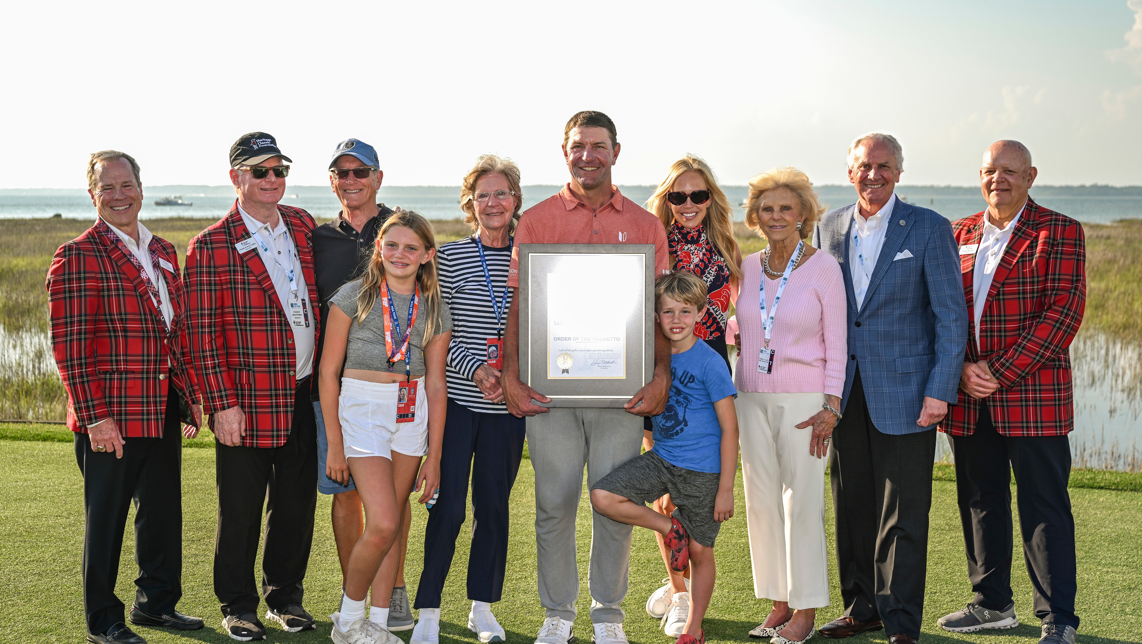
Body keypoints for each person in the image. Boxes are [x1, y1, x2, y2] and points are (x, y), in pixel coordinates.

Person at [501, 110, 673, 644]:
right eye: (579, 146)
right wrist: (509, 373)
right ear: (565, 150)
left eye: (598, 146)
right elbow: (518, 305)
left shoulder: (646, 226)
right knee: (553, 502)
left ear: (615, 152)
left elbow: (660, 310)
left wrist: (662, 372)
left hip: (621, 394)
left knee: (614, 502)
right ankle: (557, 613)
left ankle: (608, 616)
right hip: (549, 391)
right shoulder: (537, 220)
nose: (588, 155)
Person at [812, 133, 967, 644]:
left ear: (899, 171)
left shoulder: (928, 228)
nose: (872, 174)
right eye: (863, 166)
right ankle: (860, 608)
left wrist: (940, 389)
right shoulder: (827, 226)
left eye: (882, 165)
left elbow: (950, 316)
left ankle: (900, 621)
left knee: (903, 510)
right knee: (851, 502)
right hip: (843, 391)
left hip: (908, 392)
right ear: (849, 170)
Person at [48, 150, 205, 644]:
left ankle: (156, 605)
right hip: (109, 415)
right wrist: (95, 418)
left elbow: (172, 332)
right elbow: (70, 348)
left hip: (159, 407)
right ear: (92, 195)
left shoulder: (162, 250)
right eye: (107, 188)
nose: (119, 195)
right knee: (108, 520)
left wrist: (189, 396)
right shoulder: (77, 254)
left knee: (161, 513)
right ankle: (103, 621)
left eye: (126, 185)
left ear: (141, 187)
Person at [936, 141, 1085, 644]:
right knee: (980, 500)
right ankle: (992, 603)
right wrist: (958, 368)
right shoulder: (957, 232)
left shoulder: (1060, 231)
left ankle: (1058, 617)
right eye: (988, 170)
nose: (997, 178)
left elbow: (1062, 314)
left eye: (1008, 171)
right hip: (968, 397)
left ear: (1030, 175)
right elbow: (938, 311)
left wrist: (997, 371)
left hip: (1032, 396)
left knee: (1044, 506)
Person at [184, 132, 320, 641]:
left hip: (303, 394)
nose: (271, 180)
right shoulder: (210, 244)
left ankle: (285, 598)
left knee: (294, 508)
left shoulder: (303, 226)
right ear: (236, 176)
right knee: (239, 511)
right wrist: (221, 404)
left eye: (278, 170)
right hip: (245, 402)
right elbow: (199, 336)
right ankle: (238, 605)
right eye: (259, 171)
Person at [410, 155, 528, 644]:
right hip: (458, 405)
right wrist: (476, 369)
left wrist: (511, 374)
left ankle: (482, 608)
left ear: (516, 200)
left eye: (502, 193)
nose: (493, 202)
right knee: (449, 508)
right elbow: (437, 331)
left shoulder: (532, 257)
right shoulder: (450, 258)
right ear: (470, 203)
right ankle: (430, 612)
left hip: (509, 409)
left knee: (493, 509)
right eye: (483, 195)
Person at [320, 210, 452, 644]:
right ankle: (348, 619)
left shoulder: (434, 307)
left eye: (411, 247)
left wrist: (434, 455)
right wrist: (334, 446)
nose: (400, 254)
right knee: (380, 522)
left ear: (427, 254)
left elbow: (436, 383)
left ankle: (376, 625)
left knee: (393, 523)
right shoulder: (352, 296)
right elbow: (327, 373)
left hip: (412, 412)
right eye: (391, 244)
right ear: (379, 247)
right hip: (362, 408)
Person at [591, 271, 739, 644]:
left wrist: (726, 489)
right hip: (661, 460)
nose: (676, 320)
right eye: (668, 312)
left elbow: (730, 429)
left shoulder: (710, 362)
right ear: (656, 315)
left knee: (701, 551)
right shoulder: (651, 359)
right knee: (603, 496)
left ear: (701, 313)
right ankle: (668, 529)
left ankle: (693, 629)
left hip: (704, 472)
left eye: (685, 311)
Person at [735, 168, 846, 644]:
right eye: (767, 209)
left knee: (801, 505)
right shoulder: (746, 266)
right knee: (760, 504)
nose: (776, 216)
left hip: (805, 401)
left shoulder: (824, 268)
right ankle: (778, 603)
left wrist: (833, 406)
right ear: (755, 216)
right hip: (749, 397)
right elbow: (735, 331)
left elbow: (838, 343)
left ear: (803, 214)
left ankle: (805, 610)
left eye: (785, 208)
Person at [314, 138, 417, 633]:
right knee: (348, 495)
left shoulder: (399, 229)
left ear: (378, 177)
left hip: (402, 394)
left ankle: (393, 591)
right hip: (341, 391)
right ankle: (350, 588)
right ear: (333, 180)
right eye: (342, 173)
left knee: (393, 500)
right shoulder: (318, 238)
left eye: (361, 172)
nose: (351, 180)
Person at [641, 154, 743, 635]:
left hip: (709, 381)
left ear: (710, 199)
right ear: (666, 199)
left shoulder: (727, 249)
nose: (687, 203)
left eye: (697, 195)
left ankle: (684, 589)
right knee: (664, 498)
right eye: (677, 195)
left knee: (694, 498)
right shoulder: (652, 249)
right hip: (661, 379)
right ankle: (678, 589)